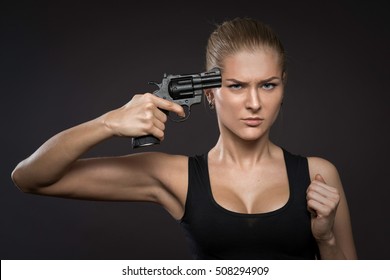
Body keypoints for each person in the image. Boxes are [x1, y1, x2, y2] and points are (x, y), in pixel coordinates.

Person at [11, 17, 357, 259]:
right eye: (236, 86)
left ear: (283, 86)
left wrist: (325, 239)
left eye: (268, 85)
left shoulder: (318, 175)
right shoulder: (175, 177)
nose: (254, 103)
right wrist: (107, 124)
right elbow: (29, 178)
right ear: (208, 92)